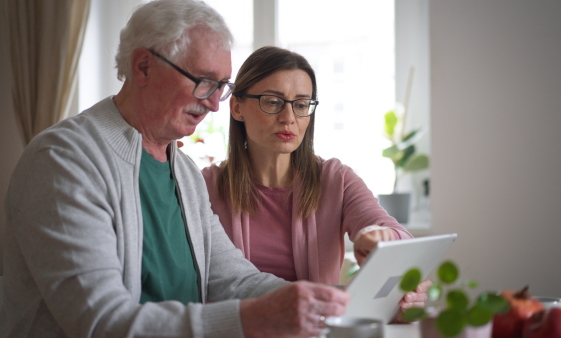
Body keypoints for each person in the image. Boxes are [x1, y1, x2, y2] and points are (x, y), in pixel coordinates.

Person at [0, 1, 350, 337]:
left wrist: (345, 305)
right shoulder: (64, 159)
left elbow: (235, 281)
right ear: (143, 67)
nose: (214, 104)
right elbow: (101, 323)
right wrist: (252, 319)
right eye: (204, 80)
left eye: (222, 87)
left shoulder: (183, 171)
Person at [201, 46, 430, 314]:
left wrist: (381, 237)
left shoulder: (336, 180)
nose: (289, 118)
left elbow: (400, 239)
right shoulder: (204, 187)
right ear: (237, 107)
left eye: (301, 105)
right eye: (273, 102)